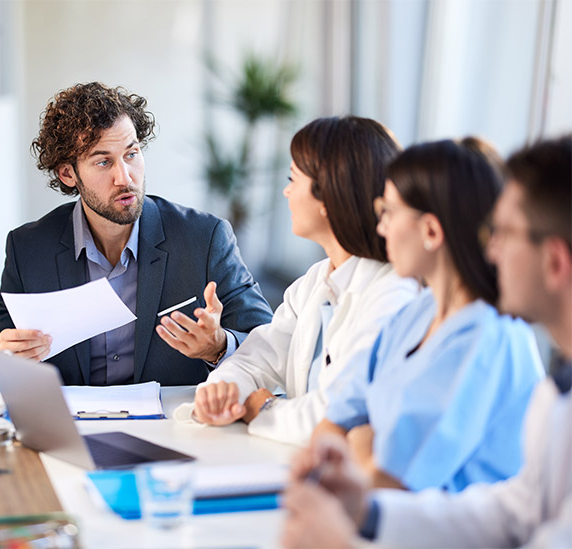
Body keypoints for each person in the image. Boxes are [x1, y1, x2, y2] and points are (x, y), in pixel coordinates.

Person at [282, 135, 572, 549]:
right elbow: (512, 514)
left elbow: (395, 475)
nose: (491, 248)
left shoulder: (490, 340)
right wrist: (367, 508)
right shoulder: (555, 396)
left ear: (555, 261)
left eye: (504, 232)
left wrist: (344, 537)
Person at [0, 82, 272, 386]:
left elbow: (270, 347)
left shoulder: (204, 238)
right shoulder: (28, 249)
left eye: (131, 154)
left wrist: (218, 346)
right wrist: (10, 358)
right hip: (71, 427)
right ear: (68, 174)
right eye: (103, 161)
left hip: (173, 427)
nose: (124, 177)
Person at [310, 138, 544, 493]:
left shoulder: (488, 338)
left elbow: (390, 484)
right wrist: (366, 440)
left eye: (388, 212)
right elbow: (329, 428)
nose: (380, 228)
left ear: (431, 231)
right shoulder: (417, 313)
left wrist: (362, 438)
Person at [175, 116, 418, 446]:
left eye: (293, 179)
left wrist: (263, 409)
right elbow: (254, 360)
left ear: (328, 196)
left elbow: (337, 416)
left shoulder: (394, 293)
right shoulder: (316, 281)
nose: (286, 191)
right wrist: (221, 393)